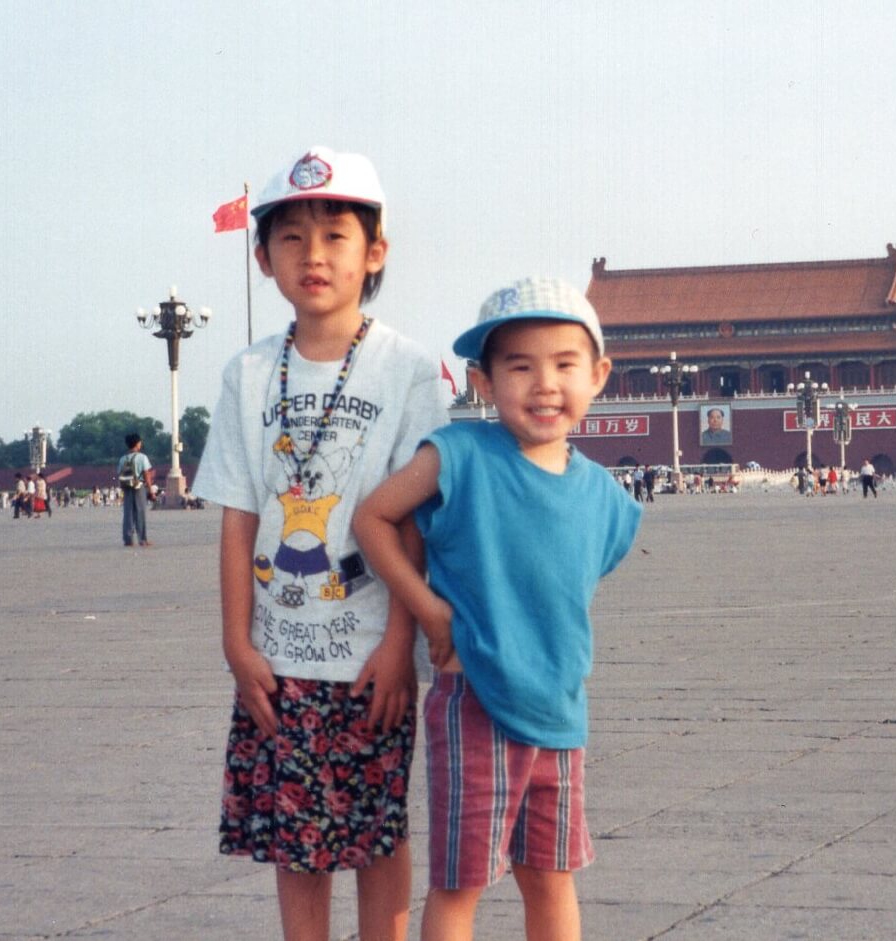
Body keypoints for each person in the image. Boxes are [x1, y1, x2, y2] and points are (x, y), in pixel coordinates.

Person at [191, 146, 448, 941]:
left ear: (375, 253)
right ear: (264, 257)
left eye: (336, 235)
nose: (315, 256)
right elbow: (239, 517)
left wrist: (401, 642)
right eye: (292, 238)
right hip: (279, 653)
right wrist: (237, 643)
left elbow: (414, 521)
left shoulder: (406, 370)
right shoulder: (247, 374)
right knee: (295, 839)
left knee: (377, 831)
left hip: (370, 647)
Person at [354, 276, 641, 941]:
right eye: (521, 366)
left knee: (551, 879)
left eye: (565, 364)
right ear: (483, 381)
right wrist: (429, 610)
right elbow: (373, 517)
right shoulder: (458, 456)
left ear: (597, 375)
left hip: (560, 713)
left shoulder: (605, 497)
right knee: (461, 882)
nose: (545, 383)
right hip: (474, 702)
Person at [115, 435, 154, 545]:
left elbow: (119, 474)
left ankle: (128, 539)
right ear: (137, 443)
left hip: (127, 487)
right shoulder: (142, 457)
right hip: (139, 486)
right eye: (140, 443)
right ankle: (142, 539)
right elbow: (146, 474)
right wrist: (150, 490)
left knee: (128, 514)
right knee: (140, 513)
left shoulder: (123, 459)